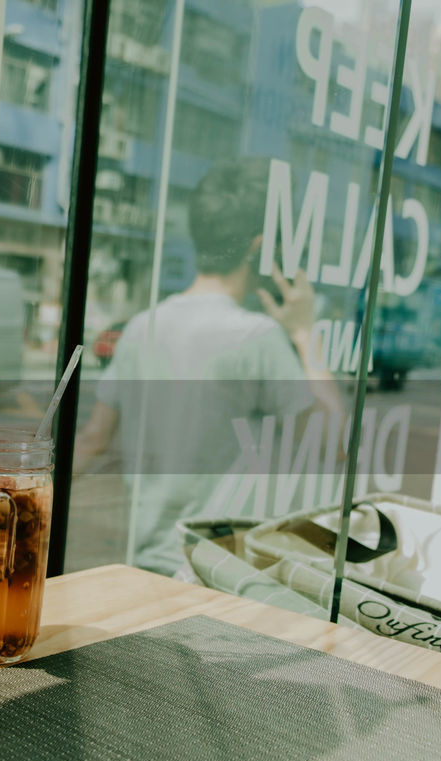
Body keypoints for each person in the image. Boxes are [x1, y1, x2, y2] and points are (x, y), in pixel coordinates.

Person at [74, 158, 342, 577]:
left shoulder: (144, 326)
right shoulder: (256, 337)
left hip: (144, 560)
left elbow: (92, 440)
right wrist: (307, 336)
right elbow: (333, 443)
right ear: (257, 248)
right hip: (215, 571)